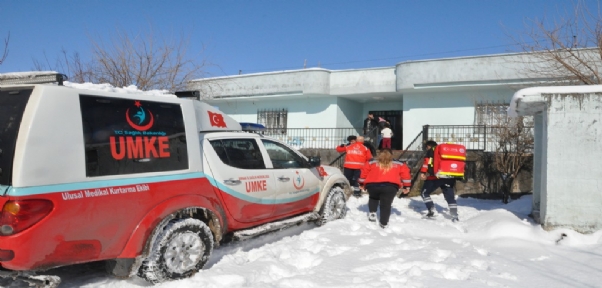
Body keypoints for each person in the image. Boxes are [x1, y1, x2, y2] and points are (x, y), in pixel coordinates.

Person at [358, 149, 411, 228]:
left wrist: (361, 183)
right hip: (390, 187)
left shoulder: (371, 162)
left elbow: (363, 173)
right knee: (386, 205)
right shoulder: (399, 163)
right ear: (392, 154)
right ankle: (384, 223)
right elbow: (406, 175)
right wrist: (407, 186)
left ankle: (372, 213)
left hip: (372, 185)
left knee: (373, 198)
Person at [419, 140, 459, 222]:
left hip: (436, 177)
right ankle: (454, 215)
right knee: (450, 196)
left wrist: (423, 172)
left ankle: (432, 211)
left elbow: (426, 163)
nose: (426, 149)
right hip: (449, 177)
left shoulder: (431, 151)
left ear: (429, 146)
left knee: (424, 192)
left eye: (426, 147)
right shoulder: (446, 153)